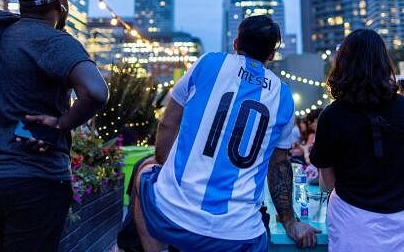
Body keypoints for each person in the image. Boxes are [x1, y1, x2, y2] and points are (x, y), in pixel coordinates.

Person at [0, 0, 109, 252]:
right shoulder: (54, 42)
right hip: (37, 178)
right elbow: (95, 92)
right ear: (62, 4)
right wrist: (62, 123)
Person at [132, 15, 320, 252]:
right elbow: (279, 166)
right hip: (240, 236)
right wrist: (290, 221)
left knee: (144, 171)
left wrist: (163, 164)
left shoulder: (208, 63)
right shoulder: (282, 95)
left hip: (174, 220)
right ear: (271, 55)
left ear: (235, 44)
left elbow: (168, 125)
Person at [310, 29, 404, 252]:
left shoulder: (332, 115)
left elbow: (327, 180)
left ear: (343, 64)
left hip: (353, 224)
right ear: (385, 62)